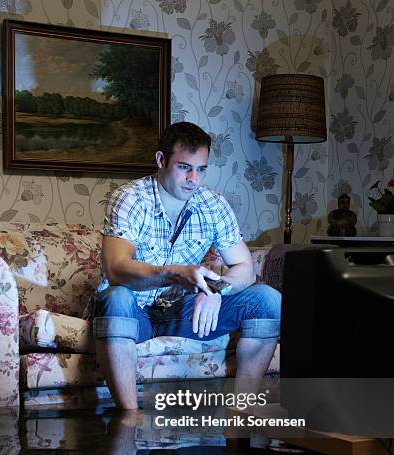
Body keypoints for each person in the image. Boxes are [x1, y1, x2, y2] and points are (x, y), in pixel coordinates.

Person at [89, 122, 281, 410]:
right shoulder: (130, 198)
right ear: (161, 160)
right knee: (116, 297)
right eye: (184, 167)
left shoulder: (214, 204)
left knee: (268, 299)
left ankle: (242, 411)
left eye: (201, 169)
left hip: (181, 312)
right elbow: (116, 269)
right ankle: (128, 420)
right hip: (133, 313)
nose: (193, 178)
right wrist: (175, 274)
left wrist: (217, 291)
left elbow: (243, 265)